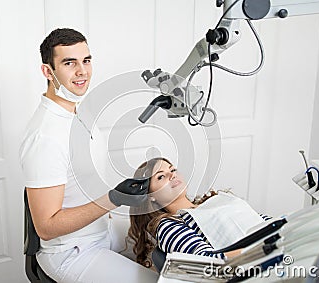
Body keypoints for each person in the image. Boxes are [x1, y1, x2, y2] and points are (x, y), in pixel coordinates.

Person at [19, 28, 158, 283]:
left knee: (173, 243)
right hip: (72, 253)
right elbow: (46, 228)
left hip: (102, 230)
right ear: (48, 72)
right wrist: (113, 199)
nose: (82, 71)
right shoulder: (45, 137)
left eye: (86, 60)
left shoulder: (77, 114)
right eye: (69, 63)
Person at [128, 157, 271, 268]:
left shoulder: (216, 199)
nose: (172, 175)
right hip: (257, 264)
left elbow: (259, 220)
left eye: (172, 170)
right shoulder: (168, 225)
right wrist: (268, 248)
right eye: (161, 176)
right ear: (150, 196)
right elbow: (205, 261)